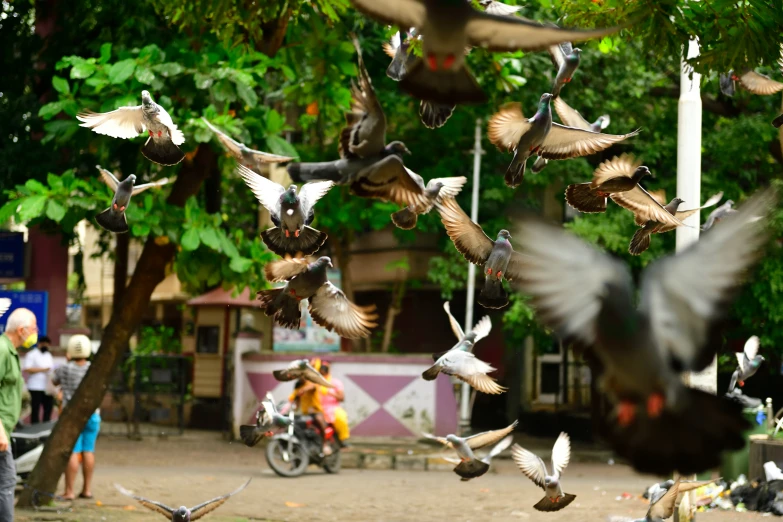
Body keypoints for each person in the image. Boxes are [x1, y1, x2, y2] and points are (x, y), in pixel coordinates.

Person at [52, 334, 100, 501]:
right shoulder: (94, 368)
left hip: (70, 416)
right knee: (88, 450)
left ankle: (69, 491)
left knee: (73, 451)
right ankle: (87, 490)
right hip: (92, 414)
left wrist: (67, 361)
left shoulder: (64, 369)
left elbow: (54, 381)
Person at [0, 308, 37, 520]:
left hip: (5, 430)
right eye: (33, 328)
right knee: (6, 481)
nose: (36, 332)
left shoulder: (10, 351)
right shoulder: (2, 350)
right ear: (21, 330)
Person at [288, 358, 331, 456]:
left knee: (320, 421)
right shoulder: (298, 387)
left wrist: (304, 390)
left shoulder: (311, 382)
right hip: (304, 414)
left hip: (315, 411)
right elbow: (295, 401)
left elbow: (312, 387)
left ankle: (325, 444)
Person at [317, 360, 350, 447]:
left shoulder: (335, 382)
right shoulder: (315, 382)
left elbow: (342, 398)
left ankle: (342, 439)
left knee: (341, 417)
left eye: (324, 371)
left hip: (332, 407)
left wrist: (330, 392)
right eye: (321, 371)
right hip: (318, 408)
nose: (323, 373)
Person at [23, 335, 54, 423]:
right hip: (35, 386)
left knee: (48, 407)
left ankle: (45, 425)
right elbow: (27, 368)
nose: (45, 346)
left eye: (47, 344)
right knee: (35, 408)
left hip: (47, 387)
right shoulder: (32, 354)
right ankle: (34, 426)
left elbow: (51, 368)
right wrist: (43, 369)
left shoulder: (48, 355)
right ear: (39, 344)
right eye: (44, 344)